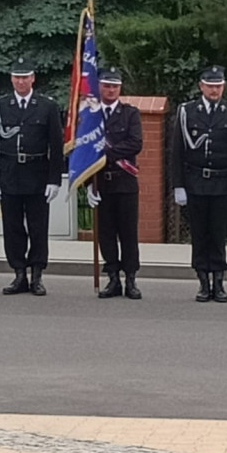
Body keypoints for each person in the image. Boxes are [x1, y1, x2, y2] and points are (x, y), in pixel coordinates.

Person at [170, 65, 227, 302]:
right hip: (195, 182)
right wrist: (178, 185)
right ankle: (203, 282)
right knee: (199, 234)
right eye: (210, 86)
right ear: (201, 86)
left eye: (218, 86)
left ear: (223, 87)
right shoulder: (187, 111)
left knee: (218, 233)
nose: (214, 90)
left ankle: (219, 282)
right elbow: (177, 151)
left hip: (223, 182)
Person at [0, 56, 62, 296]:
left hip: (37, 173)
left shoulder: (47, 106)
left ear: (33, 79)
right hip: (10, 175)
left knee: (38, 228)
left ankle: (37, 274)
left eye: (25, 77)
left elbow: (56, 146)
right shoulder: (0, 106)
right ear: (11, 79)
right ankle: (19, 273)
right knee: (13, 227)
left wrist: (54, 179)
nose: (21, 81)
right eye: (17, 77)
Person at [85, 66, 143, 300]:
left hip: (125, 183)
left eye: (114, 86)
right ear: (99, 87)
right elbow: (85, 149)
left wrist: (106, 155)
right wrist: (89, 183)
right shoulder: (90, 115)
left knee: (128, 233)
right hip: (101, 184)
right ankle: (113, 278)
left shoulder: (130, 114)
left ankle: (130, 279)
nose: (110, 89)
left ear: (120, 88)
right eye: (107, 85)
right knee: (105, 234)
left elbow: (135, 144)